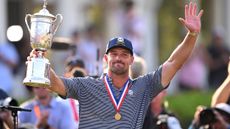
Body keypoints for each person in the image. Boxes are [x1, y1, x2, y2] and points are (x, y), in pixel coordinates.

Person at [27, 2, 203, 128]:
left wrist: (192, 35)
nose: (119, 58)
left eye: (124, 55)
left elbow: (173, 63)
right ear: (106, 59)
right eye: (114, 54)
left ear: (132, 60)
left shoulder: (144, 86)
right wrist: (40, 62)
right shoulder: (87, 85)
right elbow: (57, 83)